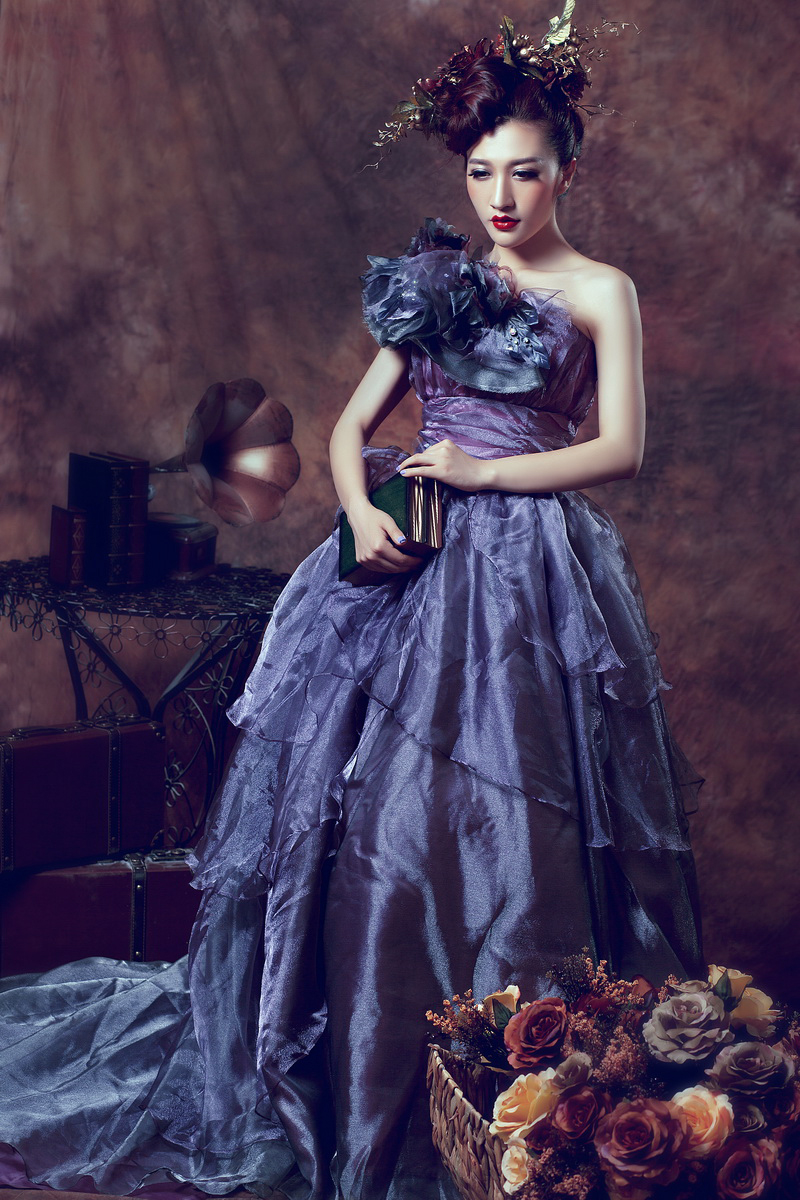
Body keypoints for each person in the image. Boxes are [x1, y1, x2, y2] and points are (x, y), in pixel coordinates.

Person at [0, 7, 704, 1200]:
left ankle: (517, 1083)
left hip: (529, 566)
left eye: (522, 173)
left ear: (564, 171)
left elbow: (620, 448)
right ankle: (365, 1055)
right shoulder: (434, 281)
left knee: (517, 804)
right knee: (374, 808)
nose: (498, 197)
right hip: (402, 554)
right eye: (479, 172)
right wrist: (357, 511)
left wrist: (483, 473)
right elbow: (348, 428)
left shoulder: (600, 290)